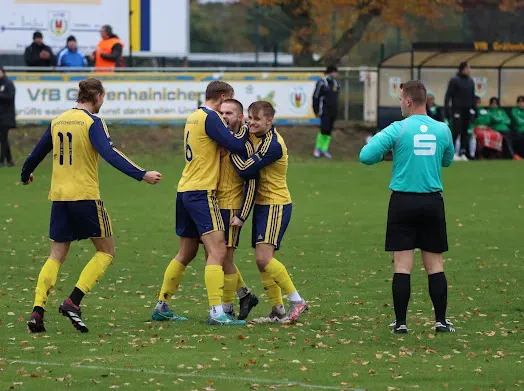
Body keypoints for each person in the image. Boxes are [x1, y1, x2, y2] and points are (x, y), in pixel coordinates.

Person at [21, 78, 162, 333]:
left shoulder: (59, 120)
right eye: (103, 98)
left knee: (56, 255)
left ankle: (37, 310)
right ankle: (73, 301)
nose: (102, 103)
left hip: (60, 197)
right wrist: (141, 173)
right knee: (106, 251)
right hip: (85, 197)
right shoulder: (92, 122)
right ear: (96, 96)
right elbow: (110, 153)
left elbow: (37, 152)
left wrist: (25, 174)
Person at [359, 80, 455, 334]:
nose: (400, 103)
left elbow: (366, 156)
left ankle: (401, 323)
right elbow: (447, 161)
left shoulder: (398, 129)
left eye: (401, 99)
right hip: (432, 201)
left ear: (409, 101)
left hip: (403, 201)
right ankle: (441, 322)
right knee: (435, 265)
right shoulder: (443, 129)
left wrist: (388, 154)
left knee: (402, 265)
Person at [151, 81, 250, 326]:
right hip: (201, 193)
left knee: (186, 252)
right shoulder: (211, 116)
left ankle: (162, 305)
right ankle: (217, 312)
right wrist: (245, 128)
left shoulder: (193, 116)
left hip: (184, 190)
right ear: (223, 96)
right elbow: (237, 144)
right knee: (218, 251)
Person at [230, 101, 308, 324]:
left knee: (264, 258)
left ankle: (297, 301)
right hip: (262, 205)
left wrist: (228, 152)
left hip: (276, 204)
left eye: (257, 120)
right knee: (262, 261)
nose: (251, 123)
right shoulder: (251, 132)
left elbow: (246, 168)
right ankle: (277, 310)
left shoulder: (273, 144)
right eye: (250, 118)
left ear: (269, 120)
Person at [214, 99, 259, 319]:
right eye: (221, 113)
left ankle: (227, 308)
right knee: (215, 258)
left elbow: (252, 182)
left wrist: (241, 215)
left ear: (240, 117)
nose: (224, 116)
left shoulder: (244, 146)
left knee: (225, 258)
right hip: (214, 206)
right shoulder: (221, 140)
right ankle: (245, 295)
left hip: (231, 209)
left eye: (229, 113)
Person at [444, 61, 476, 161]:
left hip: (467, 110)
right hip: (457, 110)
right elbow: (448, 96)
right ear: (463, 68)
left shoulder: (471, 81)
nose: (470, 70)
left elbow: (472, 96)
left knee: (465, 132)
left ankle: (462, 152)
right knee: (456, 131)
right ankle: (452, 153)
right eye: (468, 68)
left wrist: (474, 109)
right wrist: (447, 111)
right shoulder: (454, 80)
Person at [312, 65, 339, 159]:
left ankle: (324, 149)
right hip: (324, 110)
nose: (336, 74)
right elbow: (316, 97)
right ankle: (317, 149)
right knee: (324, 129)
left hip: (333, 111)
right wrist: (316, 110)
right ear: (330, 72)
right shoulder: (322, 83)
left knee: (329, 131)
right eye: (335, 72)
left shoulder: (336, 83)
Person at [0, 66, 16, 167]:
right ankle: (10, 160)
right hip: (0, 116)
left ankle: (1, 160)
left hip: (6, 116)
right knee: (3, 138)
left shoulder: (8, 84)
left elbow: (10, 97)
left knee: (3, 138)